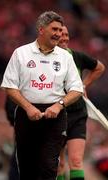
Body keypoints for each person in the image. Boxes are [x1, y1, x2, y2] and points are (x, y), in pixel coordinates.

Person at [1, 11, 83, 180]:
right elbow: (9, 86)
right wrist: (28, 107)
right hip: (26, 113)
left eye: (60, 30)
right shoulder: (21, 53)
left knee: (48, 165)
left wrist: (59, 104)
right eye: (54, 29)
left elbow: (76, 89)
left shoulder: (65, 57)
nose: (58, 34)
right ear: (41, 29)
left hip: (55, 115)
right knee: (27, 167)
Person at [57, 26, 105, 180]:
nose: (64, 38)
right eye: (60, 35)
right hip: (56, 115)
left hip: (77, 114)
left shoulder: (76, 56)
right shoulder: (45, 60)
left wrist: (84, 84)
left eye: (66, 34)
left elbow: (99, 68)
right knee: (59, 164)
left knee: (76, 161)